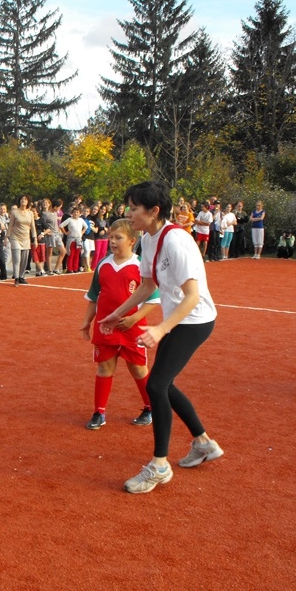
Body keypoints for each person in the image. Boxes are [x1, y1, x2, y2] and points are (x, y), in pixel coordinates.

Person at [99, 181, 223, 495]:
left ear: (154, 211)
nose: (128, 213)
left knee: (156, 386)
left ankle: (159, 465)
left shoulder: (176, 240)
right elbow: (147, 286)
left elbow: (192, 296)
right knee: (163, 384)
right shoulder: (149, 239)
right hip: (178, 320)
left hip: (194, 320)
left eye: (133, 208)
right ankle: (204, 443)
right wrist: (117, 313)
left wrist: (160, 329)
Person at [80, 219, 159, 430]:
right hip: (105, 326)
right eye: (111, 237)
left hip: (132, 328)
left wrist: (134, 318)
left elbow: (153, 300)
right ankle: (99, 412)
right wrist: (87, 321)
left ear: (132, 240)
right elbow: (94, 296)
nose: (112, 241)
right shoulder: (102, 264)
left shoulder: (141, 265)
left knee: (138, 369)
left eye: (118, 237)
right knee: (104, 366)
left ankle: (150, 408)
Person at [8, 194, 37, 285]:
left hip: (26, 238)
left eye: (25, 199)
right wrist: (7, 237)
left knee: (24, 260)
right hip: (15, 237)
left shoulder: (30, 213)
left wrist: (35, 238)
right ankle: (16, 278)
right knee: (17, 259)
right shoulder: (14, 212)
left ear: (28, 201)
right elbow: (10, 225)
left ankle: (21, 276)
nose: (23, 200)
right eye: (22, 199)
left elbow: (32, 227)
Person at [61, 206, 86, 274]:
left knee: (77, 254)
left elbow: (86, 227)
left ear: (80, 213)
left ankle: (75, 268)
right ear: (72, 213)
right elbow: (61, 225)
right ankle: (70, 268)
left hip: (78, 240)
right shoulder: (70, 219)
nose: (76, 213)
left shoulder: (81, 220)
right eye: (74, 212)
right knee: (71, 254)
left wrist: (82, 233)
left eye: (77, 212)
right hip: (71, 239)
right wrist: (65, 233)